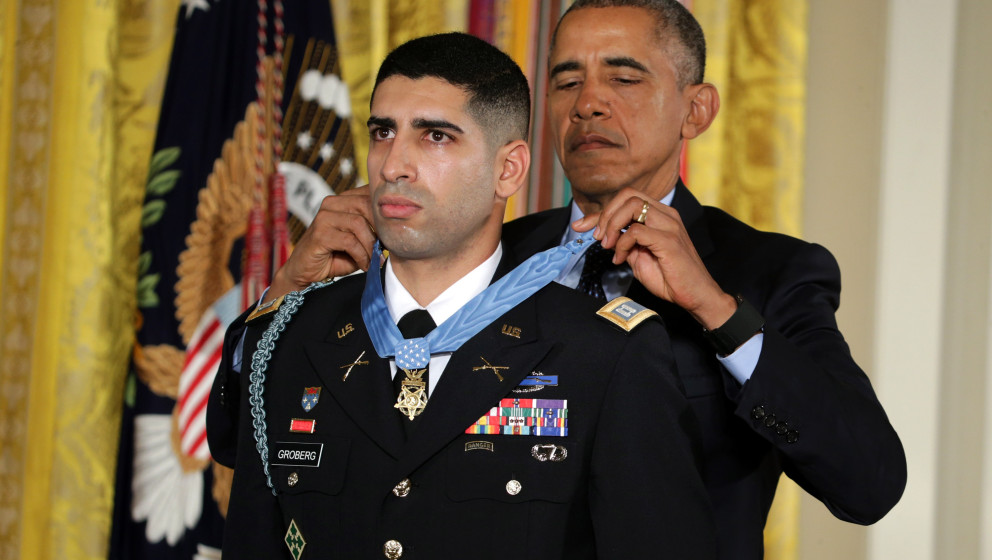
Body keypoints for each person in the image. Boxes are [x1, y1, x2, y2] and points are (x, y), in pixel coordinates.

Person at [238, 1, 909, 557]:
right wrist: (286, 292)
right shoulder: (473, 249)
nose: (587, 104)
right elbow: (247, 442)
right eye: (565, 81)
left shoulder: (766, 272)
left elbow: (869, 482)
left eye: (623, 78)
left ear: (695, 110)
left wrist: (715, 308)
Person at [210, 32, 718, 559]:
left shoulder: (605, 353)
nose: (392, 166)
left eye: (435, 137)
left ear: (509, 170)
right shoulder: (290, 336)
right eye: (383, 132)